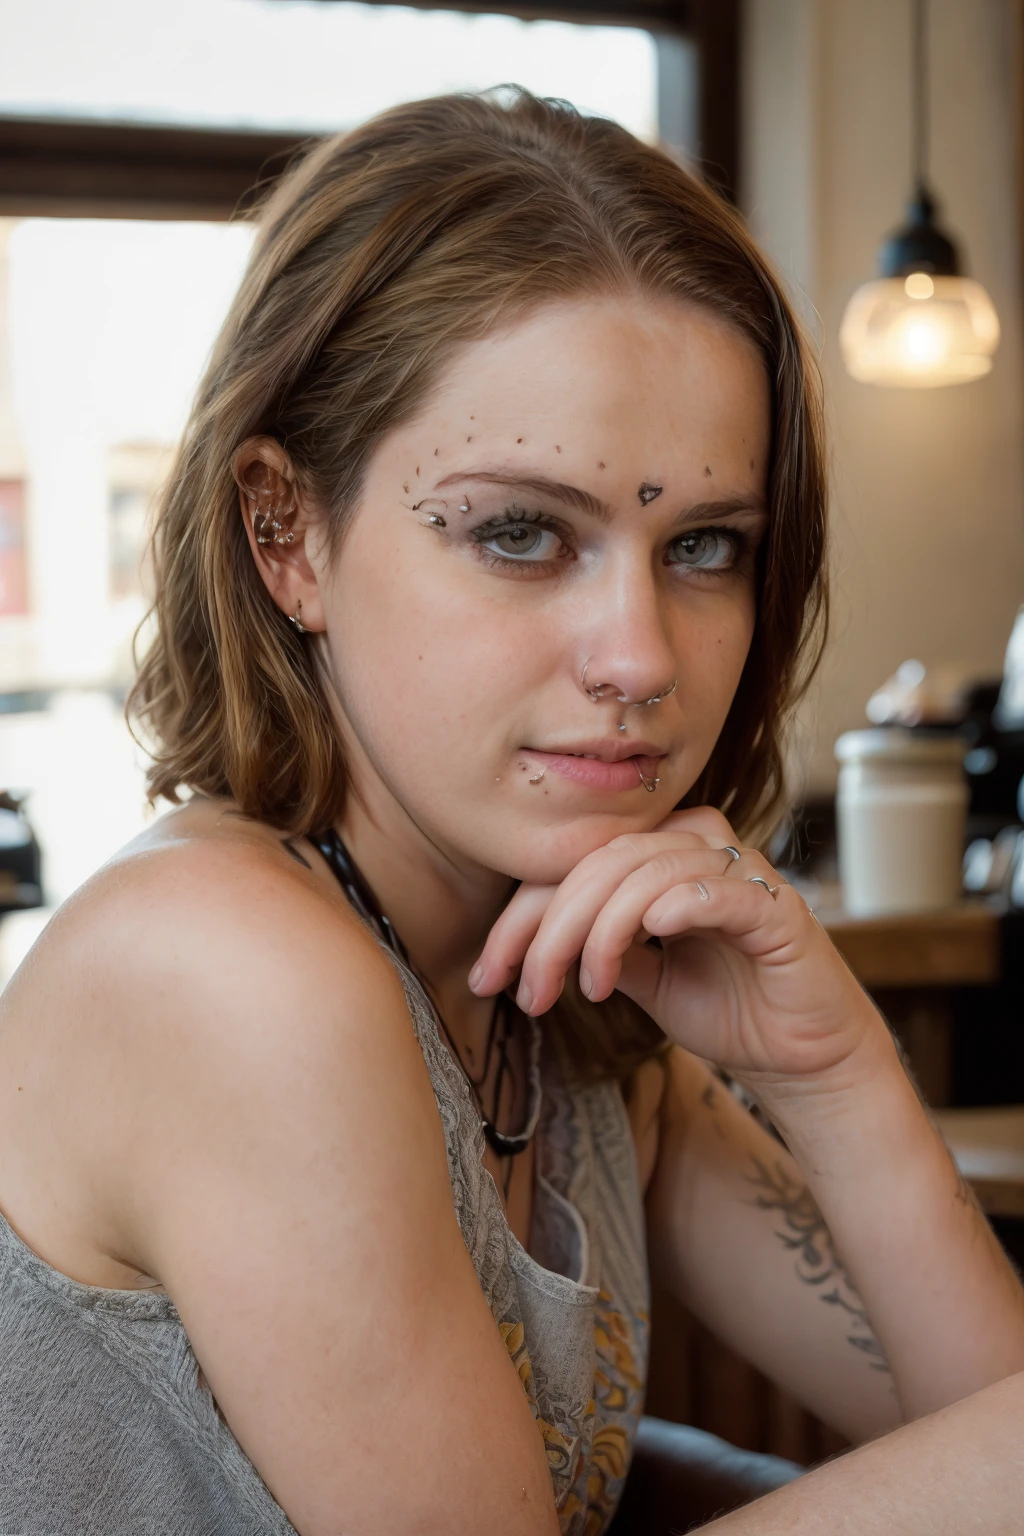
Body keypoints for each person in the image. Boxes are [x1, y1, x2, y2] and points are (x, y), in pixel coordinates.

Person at [0, 88, 1021, 1536]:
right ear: (285, 535)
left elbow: (986, 1430)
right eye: (521, 533)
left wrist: (835, 1068)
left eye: (707, 545)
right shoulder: (225, 964)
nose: (642, 658)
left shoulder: (558, 996)